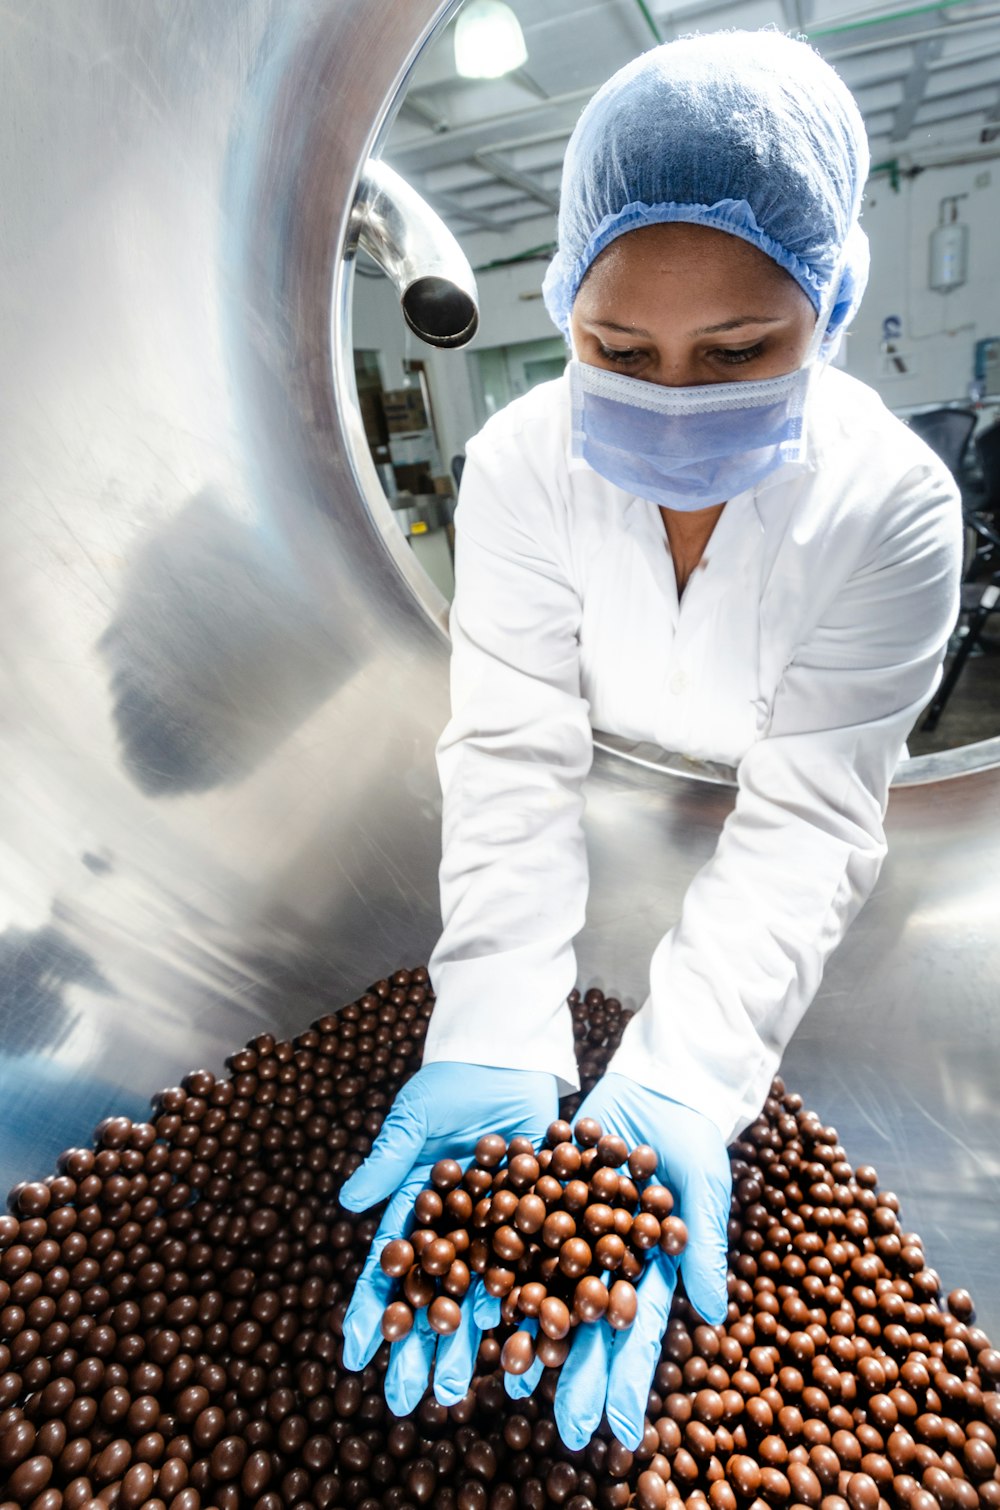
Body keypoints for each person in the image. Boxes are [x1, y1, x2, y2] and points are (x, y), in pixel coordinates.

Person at [339, 28, 962, 1451]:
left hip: (765, 867)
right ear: (561, 307)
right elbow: (510, 755)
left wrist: (685, 1074)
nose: (673, 397)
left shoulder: (895, 509)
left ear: (833, 304)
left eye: (741, 351)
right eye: (617, 351)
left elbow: (807, 819)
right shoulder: (516, 465)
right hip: (588, 820)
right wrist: (495, 1023)